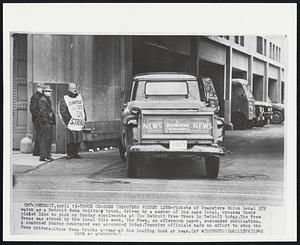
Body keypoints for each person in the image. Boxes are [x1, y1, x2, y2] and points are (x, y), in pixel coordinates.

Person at [59, 83, 86, 159]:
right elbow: (63, 111)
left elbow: (82, 108)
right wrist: (68, 120)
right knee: (70, 139)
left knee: (78, 139)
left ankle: (75, 153)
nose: (75, 89)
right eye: (73, 88)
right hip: (71, 122)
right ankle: (69, 153)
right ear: (69, 89)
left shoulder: (79, 97)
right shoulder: (65, 98)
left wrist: (84, 118)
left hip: (79, 122)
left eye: (75, 88)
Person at [38, 85, 55, 162]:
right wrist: (46, 122)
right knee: (44, 140)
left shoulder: (47, 99)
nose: (50, 93)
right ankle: (43, 156)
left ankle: (47, 155)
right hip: (45, 123)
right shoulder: (43, 100)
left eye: (50, 91)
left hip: (48, 122)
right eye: (48, 91)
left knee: (48, 140)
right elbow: (42, 112)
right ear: (44, 92)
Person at [29, 82, 45, 156]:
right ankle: (38, 152)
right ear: (39, 88)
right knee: (39, 135)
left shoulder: (39, 95)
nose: (43, 88)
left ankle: (36, 152)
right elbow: (33, 109)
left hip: (38, 119)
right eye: (42, 87)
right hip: (37, 119)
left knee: (39, 135)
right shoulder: (36, 96)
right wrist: (39, 117)